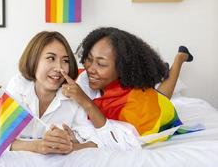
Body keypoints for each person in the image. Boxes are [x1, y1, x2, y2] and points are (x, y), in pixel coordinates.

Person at [8, 31, 141, 154]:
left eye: (65, 61)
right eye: (50, 58)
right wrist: (38, 146)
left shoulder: (72, 97)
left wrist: (72, 146)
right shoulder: (18, 86)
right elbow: (2, 137)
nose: (59, 68)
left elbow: (98, 142)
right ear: (33, 60)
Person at [60, 27, 193, 137]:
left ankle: (180, 58)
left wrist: (85, 101)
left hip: (154, 108)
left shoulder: (136, 106)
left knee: (162, 98)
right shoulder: (86, 74)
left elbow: (116, 137)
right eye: (89, 59)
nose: (90, 69)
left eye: (101, 64)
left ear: (121, 67)